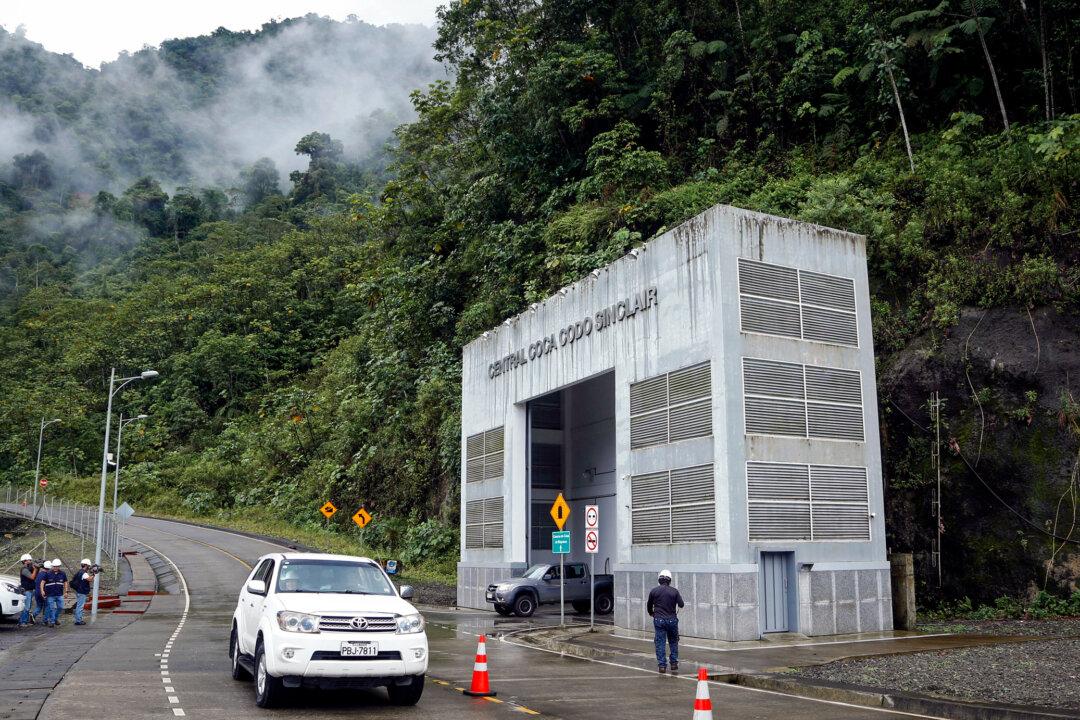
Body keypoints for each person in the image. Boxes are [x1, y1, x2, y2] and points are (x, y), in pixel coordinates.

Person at [646, 568, 684, 674]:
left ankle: (662, 665)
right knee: (673, 641)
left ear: (659, 579)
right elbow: (681, 604)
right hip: (672, 620)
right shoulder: (674, 591)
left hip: (659, 620)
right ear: (669, 580)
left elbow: (649, 605)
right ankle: (674, 663)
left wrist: (651, 613)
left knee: (660, 642)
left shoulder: (654, 591)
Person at [40, 558, 67, 627]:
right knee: (51, 608)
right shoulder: (48, 574)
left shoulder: (63, 574)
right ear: (52, 566)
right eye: (54, 566)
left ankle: (55, 618)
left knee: (60, 607)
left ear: (59, 566)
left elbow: (65, 582)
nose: (55, 568)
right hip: (50, 595)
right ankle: (52, 622)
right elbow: (42, 583)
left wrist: (66, 591)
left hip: (59, 594)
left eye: (57, 566)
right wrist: (42, 590)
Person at [70, 559, 94, 626]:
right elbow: (90, 579)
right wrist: (94, 574)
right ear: (86, 565)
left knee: (79, 605)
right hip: (82, 591)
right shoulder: (84, 573)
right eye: (88, 566)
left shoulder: (80, 572)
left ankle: (78, 619)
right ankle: (78, 620)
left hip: (79, 591)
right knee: (80, 606)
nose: (89, 567)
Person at [17, 554, 37, 627]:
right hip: (27, 590)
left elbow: (35, 576)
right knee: (26, 607)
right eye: (29, 560)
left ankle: (23, 621)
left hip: (30, 590)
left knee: (28, 606)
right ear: (25, 561)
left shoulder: (29, 568)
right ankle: (22, 622)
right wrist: (35, 569)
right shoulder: (24, 570)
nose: (30, 561)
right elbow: (32, 577)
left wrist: (36, 569)